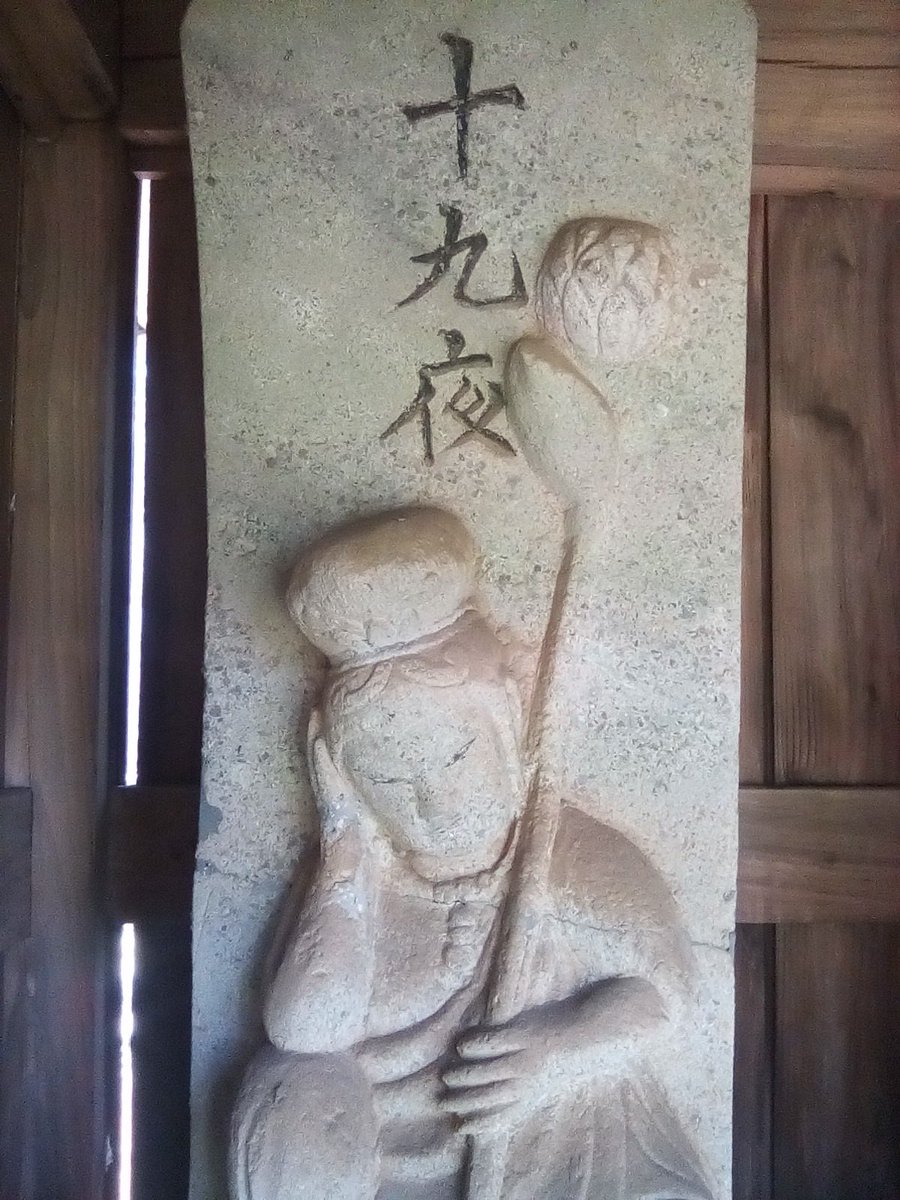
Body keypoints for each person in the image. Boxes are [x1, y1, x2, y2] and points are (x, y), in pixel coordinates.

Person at [230, 506, 714, 1200]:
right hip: (393, 1161)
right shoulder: (362, 884)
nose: (431, 799)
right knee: (288, 1101)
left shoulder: (566, 855)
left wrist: (555, 1051)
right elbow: (303, 1032)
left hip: (563, 1149)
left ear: (510, 720)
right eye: (389, 780)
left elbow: (666, 995)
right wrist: (342, 841)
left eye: (456, 757)